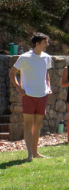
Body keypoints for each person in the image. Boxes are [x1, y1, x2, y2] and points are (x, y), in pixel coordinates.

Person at [9, 32, 53, 162]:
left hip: (42, 95)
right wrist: (19, 88)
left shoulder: (46, 57)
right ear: (37, 44)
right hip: (28, 95)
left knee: (37, 125)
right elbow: (12, 73)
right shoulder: (24, 57)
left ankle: (36, 152)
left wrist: (48, 86)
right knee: (28, 124)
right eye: (45, 42)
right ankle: (29, 154)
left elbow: (46, 73)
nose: (47, 44)